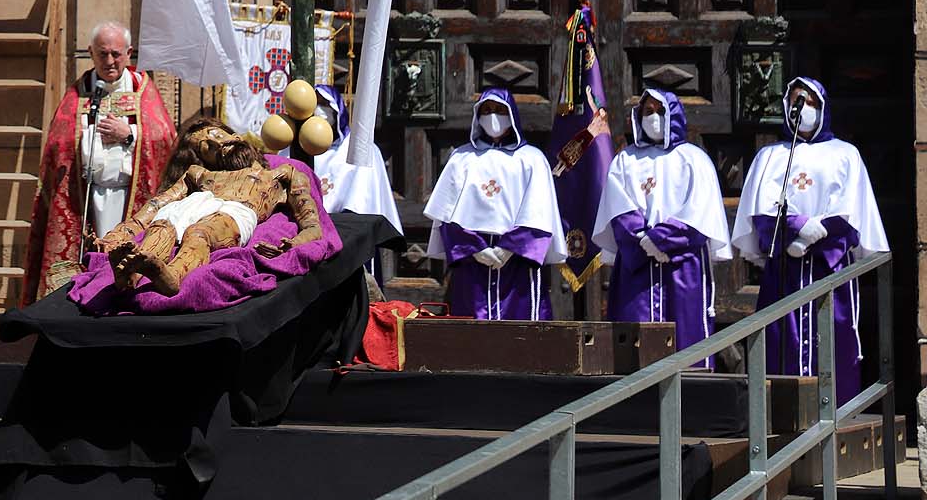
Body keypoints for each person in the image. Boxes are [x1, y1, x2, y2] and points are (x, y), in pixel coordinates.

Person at [731, 77, 888, 404]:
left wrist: (818, 235)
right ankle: (780, 417)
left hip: (829, 273)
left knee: (832, 338)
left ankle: (837, 414)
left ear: (822, 107)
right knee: (779, 341)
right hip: (784, 272)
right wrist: (795, 230)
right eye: (793, 102)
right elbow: (760, 212)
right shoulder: (771, 156)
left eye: (808, 102)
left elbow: (852, 213)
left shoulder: (846, 154)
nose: (799, 109)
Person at [21, 21, 176, 302]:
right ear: (91, 52)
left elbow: (165, 139)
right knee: (90, 261)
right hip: (86, 201)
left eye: (116, 54)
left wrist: (130, 134)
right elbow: (58, 145)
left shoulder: (143, 91)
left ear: (129, 53)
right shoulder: (77, 94)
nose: (109, 61)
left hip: (130, 199)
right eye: (102, 54)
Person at [100, 117, 323, 296]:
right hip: (197, 205)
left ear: (233, 134)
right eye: (207, 146)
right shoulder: (199, 175)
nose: (218, 144)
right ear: (202, 159)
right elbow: (156, 205)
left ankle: (171, 277)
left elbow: (312, 225)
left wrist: (294, 244)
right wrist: (117, 235)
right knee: (164, 224)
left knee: (200, 231)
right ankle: (131, 276)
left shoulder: (281, 174)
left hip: (234, 212)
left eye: (216, 135)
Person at [593, 89, 730, 367]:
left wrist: (662, 240)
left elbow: (700, 211)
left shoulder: (694, 158)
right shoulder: (625, 159)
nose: (653, 117)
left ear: (673, 116)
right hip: (636, 266)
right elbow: (616, 206)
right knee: (633, 344)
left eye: (659, 111)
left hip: (682, 263)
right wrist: (642, 240)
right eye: (647, 112)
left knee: (687, 339)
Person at [425, 88, 566, 320]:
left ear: (512, 115)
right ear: (477, 116)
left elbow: (539, 214)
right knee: (469, 327)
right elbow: (446, 216)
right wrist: (475, 249)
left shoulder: (532, 158)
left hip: (517, 262)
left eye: (500, 110)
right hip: (472, 260)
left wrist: (509, 248)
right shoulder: (462, 158)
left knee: (520, 328)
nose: (493, 117)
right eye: (487, 110)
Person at [307, 84, 400, 282]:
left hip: (353, 235)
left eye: (325, 104)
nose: (319, 110)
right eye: (314, 104)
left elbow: (366, 199)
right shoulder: (299, 149)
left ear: (337, 109)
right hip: (312, 236)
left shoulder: (360, 148)